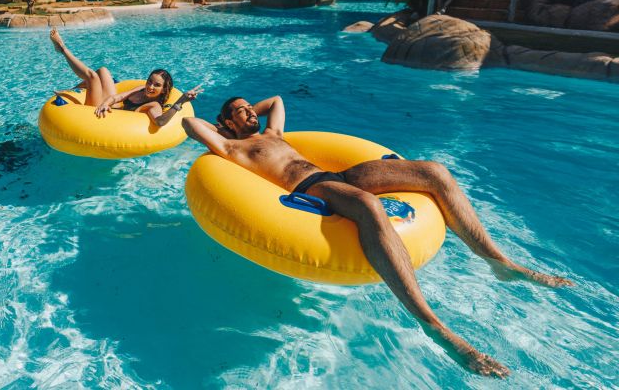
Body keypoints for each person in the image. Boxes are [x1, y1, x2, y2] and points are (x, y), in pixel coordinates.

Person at [182, 96, 573, 377]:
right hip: (309, 190)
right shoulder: (230, 146)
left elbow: (278, 100)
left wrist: (247, 107)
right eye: (241, 111)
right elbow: (190, 125)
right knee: (368, 206)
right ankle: (435, 326)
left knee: (434, 171)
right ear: (227, 123)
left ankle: (498, 262)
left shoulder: (275, 132)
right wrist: (221, 121)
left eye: (251, 108)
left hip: (339, 175)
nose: (251, 111)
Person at [50, 28, 201, 126]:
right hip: (105, 108)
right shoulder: (142, 89)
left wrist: (180, 102)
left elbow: (160, 122)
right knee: (103, 71)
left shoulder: (154, 105)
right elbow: (117, 98)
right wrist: (106, 103)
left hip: (102, 120)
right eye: (150, 81)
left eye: (156, 85)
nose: (150, 86)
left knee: (93, 77)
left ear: (164, 90)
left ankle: (62, 49)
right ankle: (75, 90)